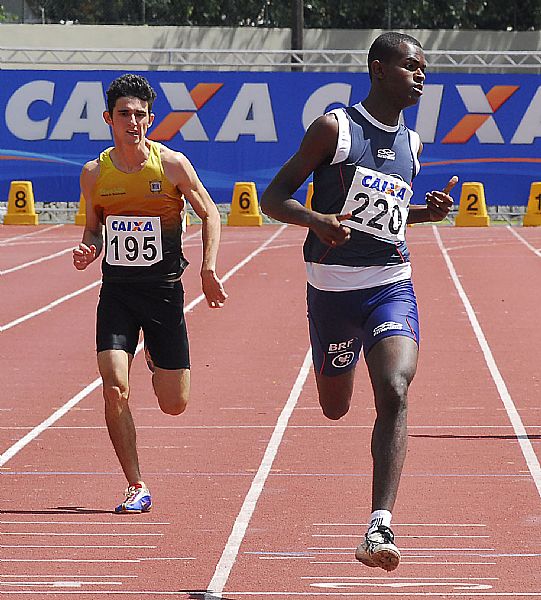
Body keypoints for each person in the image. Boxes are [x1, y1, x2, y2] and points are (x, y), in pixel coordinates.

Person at [261, 32, 457, 571]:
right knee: (334, 406)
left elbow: (388, 216)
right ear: (378, 69)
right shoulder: (335, 129)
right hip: (331, 292)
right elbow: (273, 198)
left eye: (424, 69)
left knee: (395, 387)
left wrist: (425, 214)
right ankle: (335, 361)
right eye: (412, 67)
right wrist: (315, 219)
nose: (421, 77)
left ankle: (379, 524)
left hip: (390, 285)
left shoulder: (414, 145)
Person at [73, 73, 227, 514]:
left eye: (141, 115)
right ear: (109, 118)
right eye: (124, 114)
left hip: (163, 294)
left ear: (151, 119)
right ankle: (136, 484)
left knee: (174, 404)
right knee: (115, 387)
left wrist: (208, 267)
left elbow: (209, 212)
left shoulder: (172, 165)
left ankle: (158, 358)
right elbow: (93, 227)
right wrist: (89, 249)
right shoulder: (95, 174)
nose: (133, 122)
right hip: (117, 294)